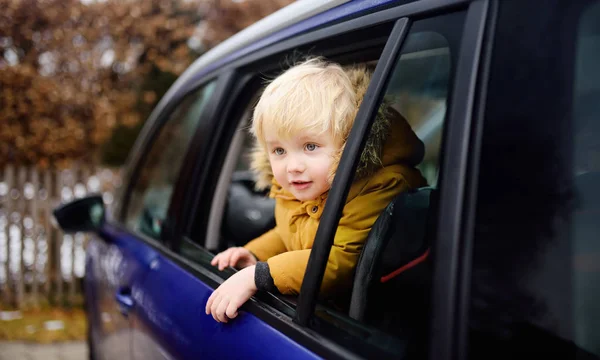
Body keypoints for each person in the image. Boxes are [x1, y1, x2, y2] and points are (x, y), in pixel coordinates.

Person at [205, 57, 427, 322]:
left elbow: (341, 261)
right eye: (279, 150)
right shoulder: (300, 187)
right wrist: (254, 254)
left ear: (348, 141)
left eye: (310, 146)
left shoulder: (378, 186)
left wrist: (260, 275)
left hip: (365, 326)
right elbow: (291, 230)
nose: (292, 166)